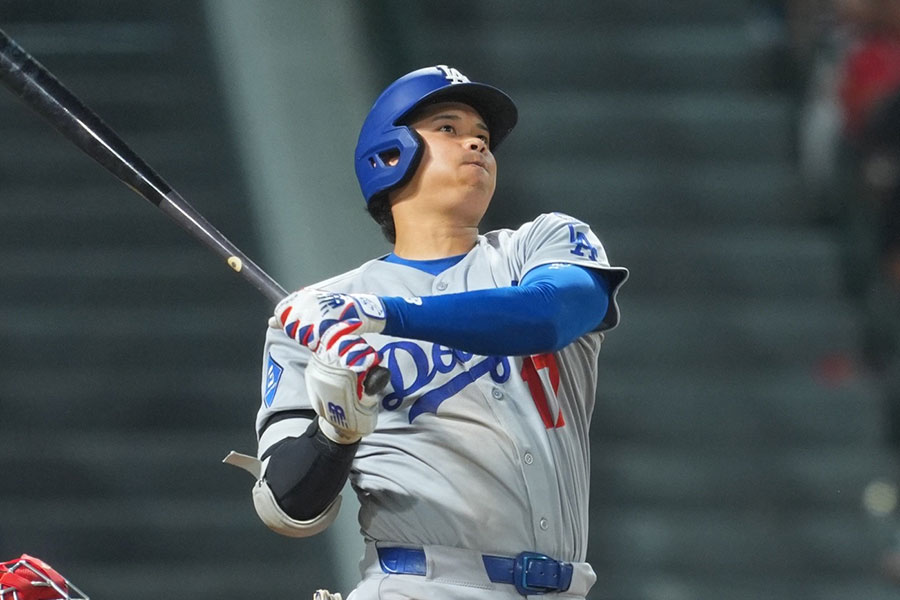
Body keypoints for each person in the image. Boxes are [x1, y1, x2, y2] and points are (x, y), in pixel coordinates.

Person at [226, 65, 628, 599]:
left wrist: (381, 314)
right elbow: (287, 506)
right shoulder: (311, 319)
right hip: (418, 584)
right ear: (389, 154)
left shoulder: (540, 247)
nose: (476, 144)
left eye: (482, 137)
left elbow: (549, 315)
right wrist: (337, 431)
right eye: (448, 128)